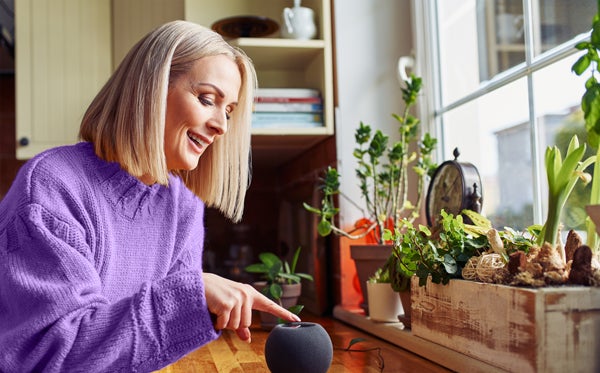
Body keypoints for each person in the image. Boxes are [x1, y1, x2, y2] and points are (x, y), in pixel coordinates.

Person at [0, 20, 300, 372]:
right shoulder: (53, 186)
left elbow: (145, 352)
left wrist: (192, 301)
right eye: (207, 99)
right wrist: (190, 294)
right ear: (152, 89)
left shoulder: (181, 206)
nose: (222, 125)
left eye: (229, 111)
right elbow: (52, 357)